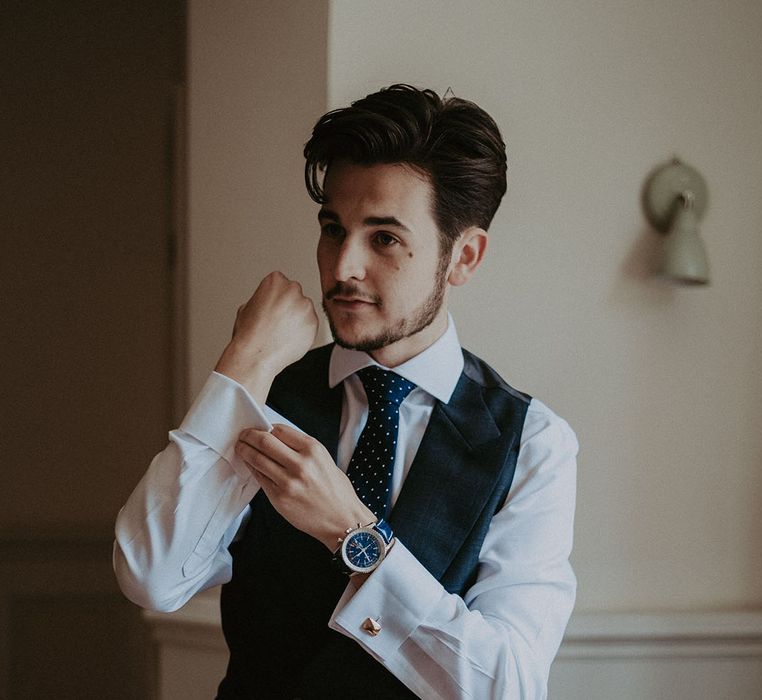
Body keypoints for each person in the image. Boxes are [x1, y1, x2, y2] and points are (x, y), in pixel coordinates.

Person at [114, 84, 578, 699]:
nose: (342, 267)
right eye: (334, 229)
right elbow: (151, 576)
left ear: (463, 256)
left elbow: (509, 687)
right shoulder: (261, 395)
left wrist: (353, 533)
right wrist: (243, 364)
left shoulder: (532, 443)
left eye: (384, 238)